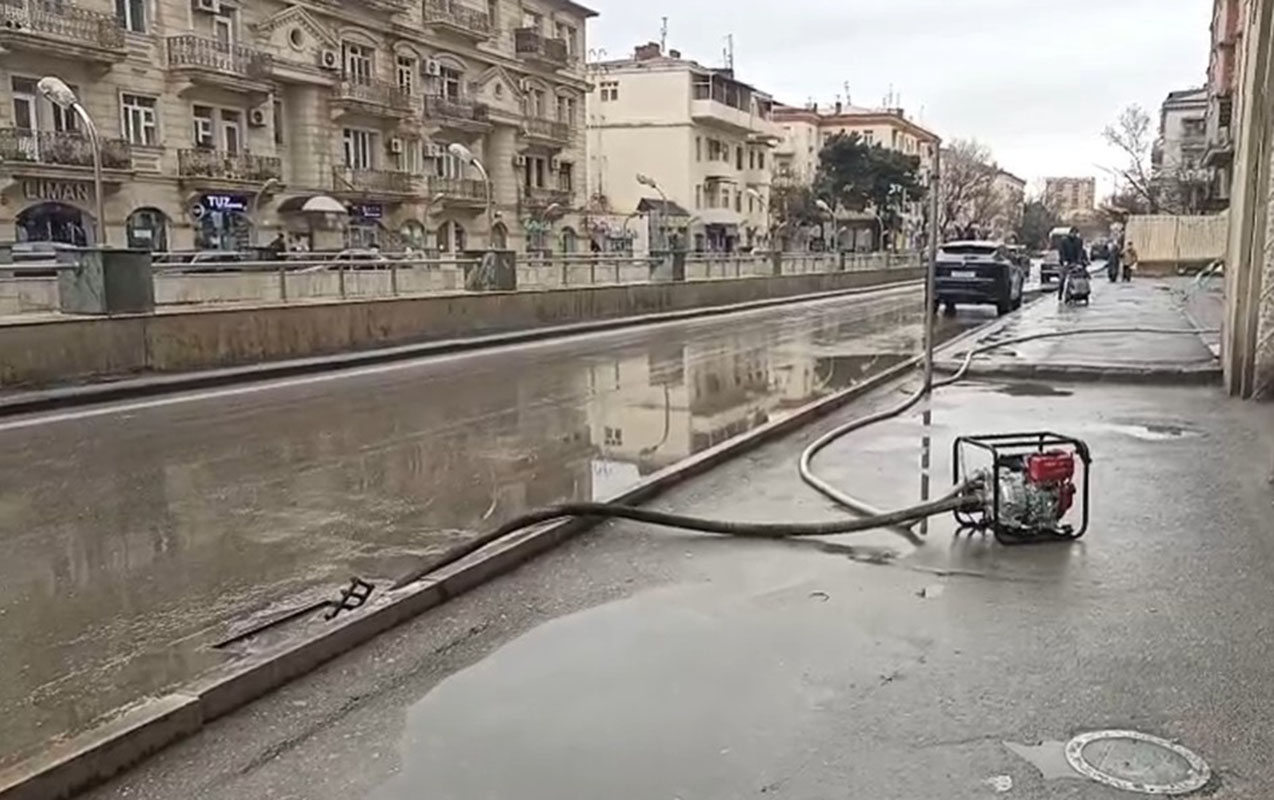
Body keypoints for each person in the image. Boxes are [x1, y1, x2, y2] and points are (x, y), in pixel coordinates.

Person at [1058, 227, 1087, 295]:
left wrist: (1080, 261)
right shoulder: (1064, 241)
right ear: (1070, 233)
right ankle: (1060, 293)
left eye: (1075, 233)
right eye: (1072, 233)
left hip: (1076, 261)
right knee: (1062, 278)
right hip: (1066, 262)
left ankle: (1079, 291)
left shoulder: (1079, 241)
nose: (1074, 234)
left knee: (1080, 275)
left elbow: (1080, 251)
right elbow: (1062, 251)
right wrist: (1064, 260)